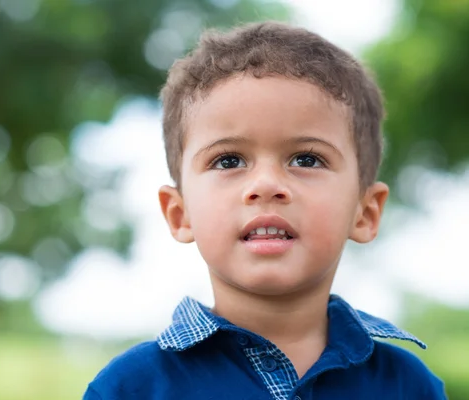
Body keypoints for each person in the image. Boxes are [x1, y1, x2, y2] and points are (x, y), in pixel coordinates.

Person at [83, 21, 446, 399]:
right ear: (179, 213)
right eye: (228, 161)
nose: (267, 184)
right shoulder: (131, 388)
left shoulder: (408, 385)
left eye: (306, 159)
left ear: (365, 212)